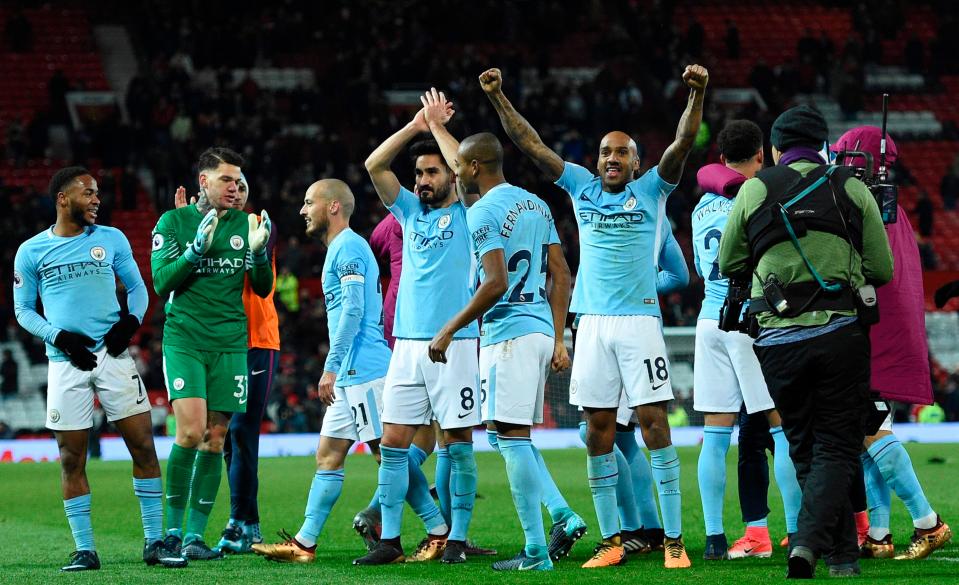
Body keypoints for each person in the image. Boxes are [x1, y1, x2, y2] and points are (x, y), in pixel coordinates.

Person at [481, 64, 708, 569]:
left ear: (634, 162)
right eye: (606, 151)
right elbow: (531, 145)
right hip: (592, 326)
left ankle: (673, 541)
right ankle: (610, 541)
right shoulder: (580, 186)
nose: (611, 158)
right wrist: (499, 98)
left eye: (621, 152)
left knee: (653, 425)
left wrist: (696, 95)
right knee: (598, 429)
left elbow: (682, 143)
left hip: (639, 324)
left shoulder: (653, 190)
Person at [718, 105, 894, 578]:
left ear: (775, 149)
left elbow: (728, 261)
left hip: (777, 341)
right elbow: (883, 270)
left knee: (802, 446)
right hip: (841, 335)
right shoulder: (851, 187)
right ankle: (812, 546)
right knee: (837, 446)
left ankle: (839, 557)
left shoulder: (755, 188)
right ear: (822, 146)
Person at [420, 89, 584, 571]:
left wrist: (448, 329)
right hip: (537, 331)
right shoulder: (536, 204)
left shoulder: (482, 213)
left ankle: (536, 551)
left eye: (459, 168)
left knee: (509, 439)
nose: (455, 172)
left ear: (471, 170)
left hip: (508, 335)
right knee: (507, 435)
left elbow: (496, 281)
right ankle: (561, 514)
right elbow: (562, 272)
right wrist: (557, 337)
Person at [14, 166, 186, 571]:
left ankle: (154, 543)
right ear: (63, 199)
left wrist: (130, 323)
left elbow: (140, 288)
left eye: (97, 193)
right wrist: (59, 337)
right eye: (87, 193)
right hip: (65, 364)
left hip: (112, 357)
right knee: (71, 458)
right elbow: (23, 310)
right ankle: (85, 549)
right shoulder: (32, 250)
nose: (96, 199)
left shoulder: (111, 239)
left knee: (143, 446)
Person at [251, 179, 413, 562]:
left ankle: (436, 531)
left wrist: (331, 367)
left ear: (334, 206)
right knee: (328, 454)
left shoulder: (351, 247)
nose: (302, 210)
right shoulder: (340, 249)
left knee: (385, 455)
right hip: (351, 374)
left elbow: (354, 311)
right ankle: (305, 543)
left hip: (364, 370)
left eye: (309, 203)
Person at [355, 104, 480, 566]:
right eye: (419, 173)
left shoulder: (471, 212)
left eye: (431, 172)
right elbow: (374, 165)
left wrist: (443, 130)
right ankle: (390, 540)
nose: (422, 180)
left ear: (450, 174)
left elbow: (467, 172)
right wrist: (416, 126)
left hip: (456, 344)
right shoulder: (409, 213)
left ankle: (457, 540)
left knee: (457, 442)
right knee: (392, 445)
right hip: (406, 345)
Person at [832, 126, 952, 561]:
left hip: (870, 337)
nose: (839, 163)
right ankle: (879, 535)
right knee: (870, 434)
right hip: (887, 332)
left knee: (869, 430)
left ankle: (928, 521)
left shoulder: (862, 208)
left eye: (845, 156)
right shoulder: (890, 208)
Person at [151, 147, 274, 560]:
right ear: (204, 181)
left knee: (216, 436)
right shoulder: (174, 222)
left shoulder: (245, 223)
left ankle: (194, 538)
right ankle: (169, 533)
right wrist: (193, 252)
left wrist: (258, 254)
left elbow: (260, 287)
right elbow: (162, 283)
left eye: (240, 182)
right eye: (227, 180)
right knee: (189, 431)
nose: (235, 188)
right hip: (185, 339)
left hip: (230, 343)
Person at [691, 120, 802, 560]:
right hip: (747, 323)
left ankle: (716, 538)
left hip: (707, 320)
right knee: (781, 427)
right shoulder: (756, 199)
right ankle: (795, 529)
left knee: (715, 437)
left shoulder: (701, 207)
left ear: (721, 159)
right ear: (761, 155)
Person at [576, 219, 689, 555]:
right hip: (601, 326)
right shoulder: (640, 216)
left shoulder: (600, 214)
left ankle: (640, 527)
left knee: (612, 432)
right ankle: (647, 528)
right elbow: (679, 276)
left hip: (625, 329)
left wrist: (636, 286)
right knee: (619, 435)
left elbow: (679, 277)